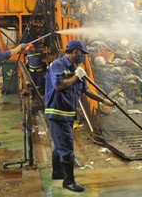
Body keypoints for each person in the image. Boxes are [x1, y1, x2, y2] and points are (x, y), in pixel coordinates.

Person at [44, 40, 114, 192]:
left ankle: (57, 173)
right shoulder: (58, 65)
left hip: (68, 114)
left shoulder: (76, 68)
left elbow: (85, 90)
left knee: (59, 144)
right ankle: (68, 181)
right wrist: (76, 76)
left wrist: (104, 100)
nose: (83, 57)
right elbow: (59, 85)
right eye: (82, 54)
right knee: (67, 146)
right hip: (57, 112)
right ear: (75, 52)